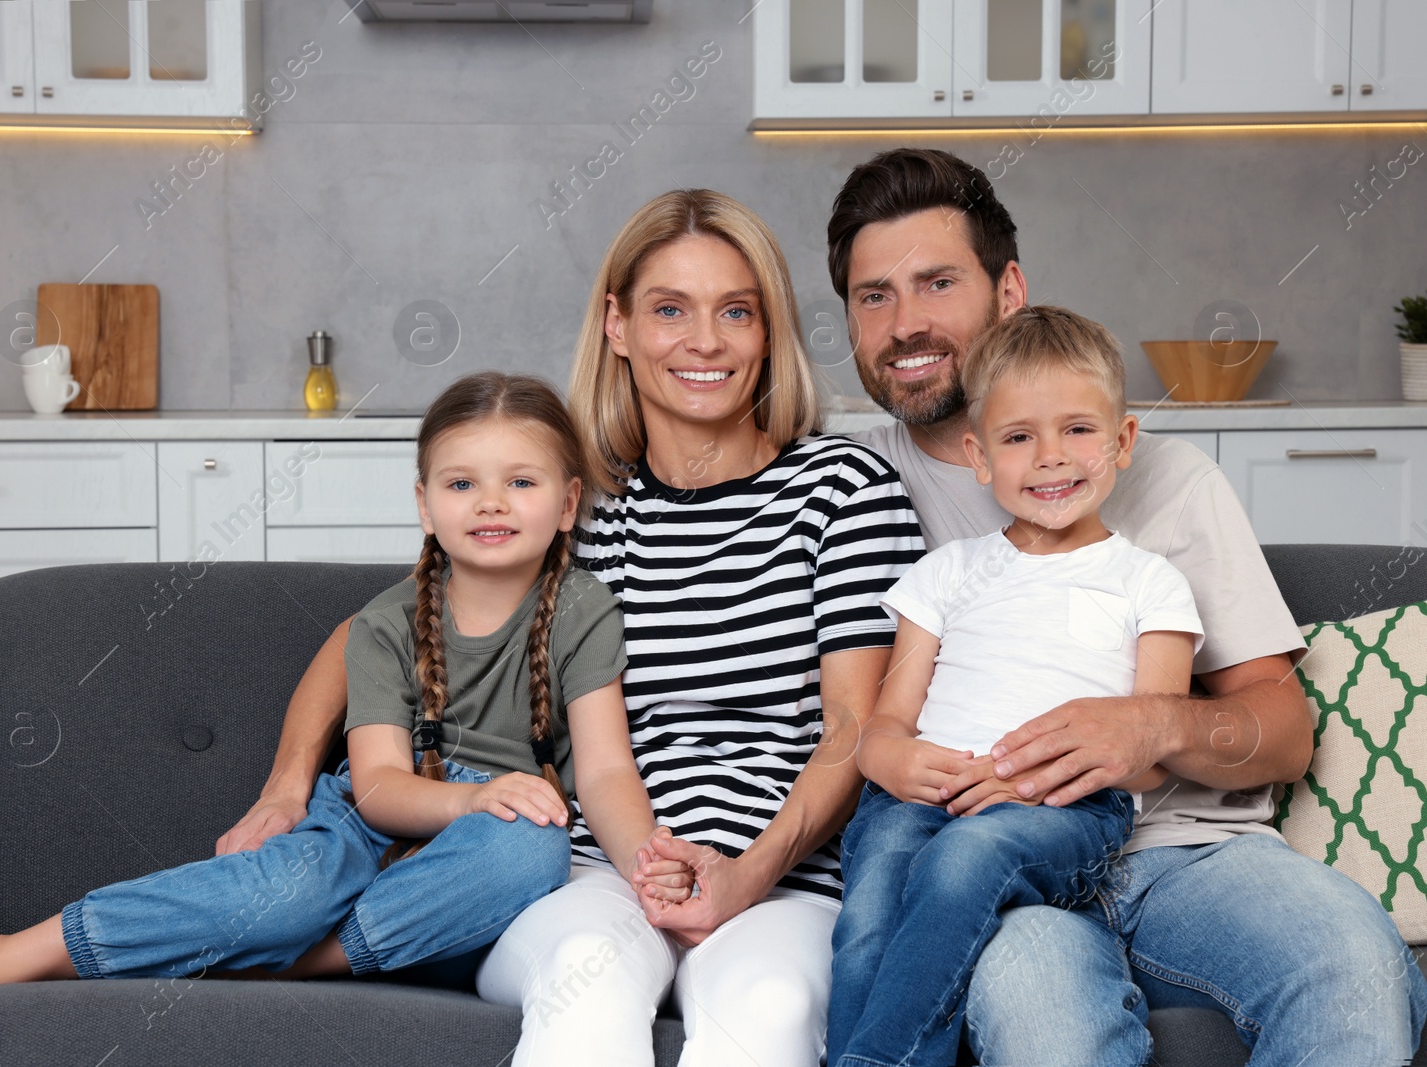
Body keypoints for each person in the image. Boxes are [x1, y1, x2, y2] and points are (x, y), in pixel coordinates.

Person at [832, 147, 1427, 1063]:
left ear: (1007, 288)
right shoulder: (847, 486)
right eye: (874, 295)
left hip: (1186, 854)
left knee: (1358, 960)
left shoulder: (1170, 482)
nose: (906, 322)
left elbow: (1284, 731)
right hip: (1001, 871)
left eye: (937, 282)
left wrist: (1149, 725)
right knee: (1043, 1013)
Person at [0, 371, 653, 995]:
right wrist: (468, 795)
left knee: (535, 849)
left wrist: (650, 858)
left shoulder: (584, 610)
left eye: (521, 481)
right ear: (423, 504)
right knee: (299, 882)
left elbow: (608, 768)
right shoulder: (386, 624)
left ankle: (298, 961)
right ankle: (12, 951)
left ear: (568, 503)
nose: (490, 501)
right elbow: (378, 786)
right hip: (374, 825)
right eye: (460, 484)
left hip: (466, 876)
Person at [472, 188, 922, 1067]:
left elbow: (855, 727)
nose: (706, 341)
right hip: (599, 872)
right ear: (618, 325)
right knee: (586, 977)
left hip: (790, 881)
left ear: (769, 331)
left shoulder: (845, 489)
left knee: (772, 1001)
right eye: (670, 309)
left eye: (736, 312)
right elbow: (388, 627)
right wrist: (290, 779)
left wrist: (744, 876)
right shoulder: (579, 512)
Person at [828, 306, 1202, 1067]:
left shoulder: (1149, 583)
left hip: (1066, 808)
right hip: (918, 793)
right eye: (1019, 436)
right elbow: (888, 719)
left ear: (1123, 441)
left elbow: (1152, 753)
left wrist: (1025, 780)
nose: (1050, 458)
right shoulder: (946, 574)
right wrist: (892, 761)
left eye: (1078, 430)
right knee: (870, 904)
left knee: (966, 858)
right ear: (979, 455)